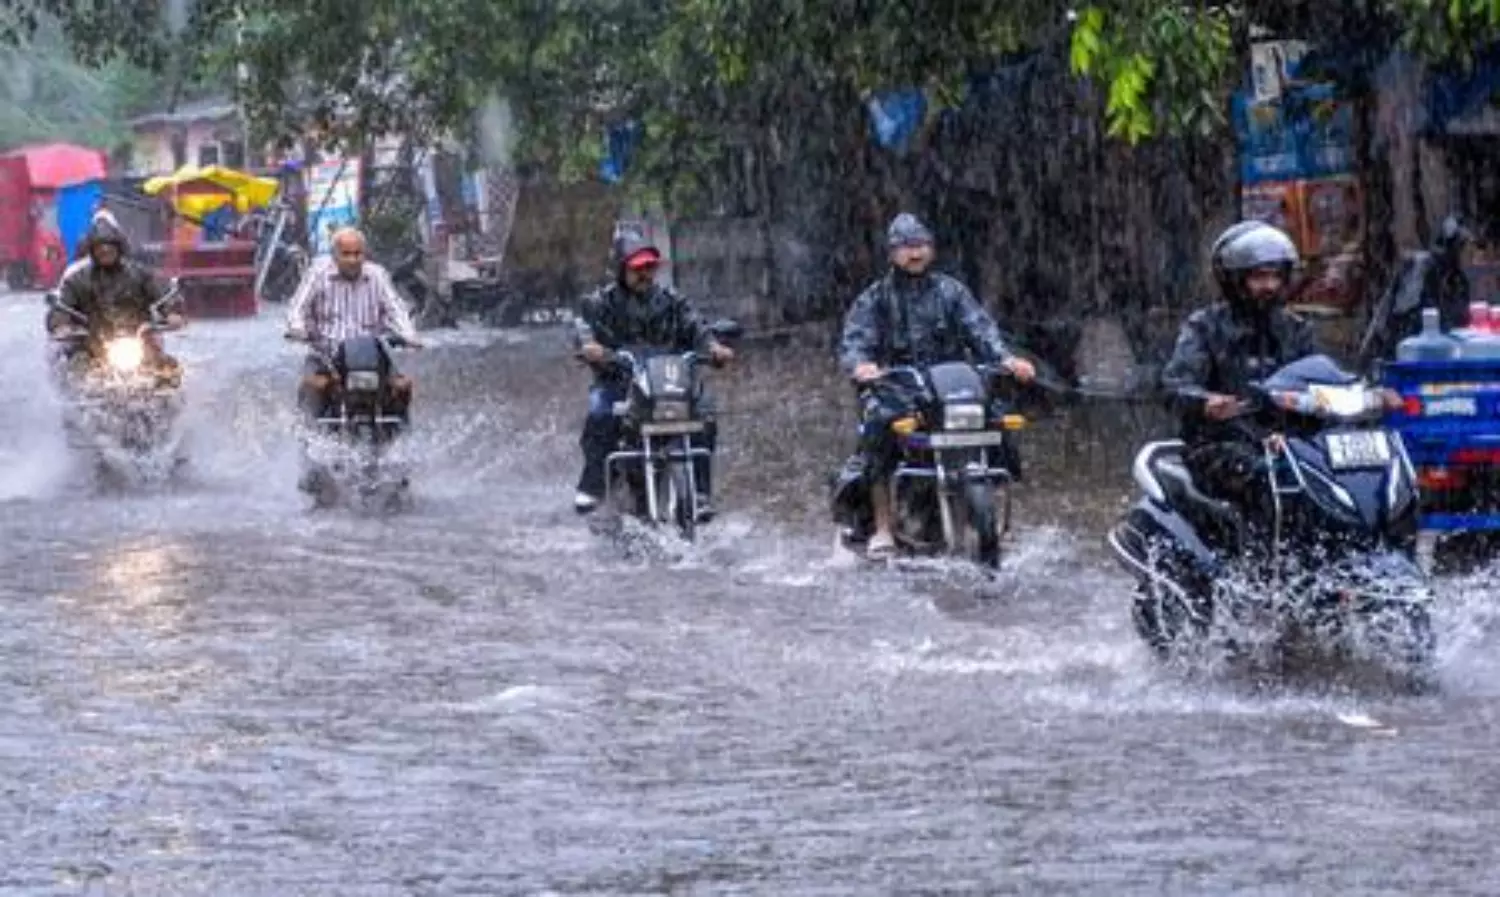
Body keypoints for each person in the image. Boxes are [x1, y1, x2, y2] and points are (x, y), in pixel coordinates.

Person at [836, 212, 1037, 559]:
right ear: (892, 253)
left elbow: (981, 329)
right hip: (898, 389)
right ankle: (883, 526)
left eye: (921, 245)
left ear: (932, 249)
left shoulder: (951, 291)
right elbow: (855, 341)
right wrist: (862, 366)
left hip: (949, 387)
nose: (915, 253)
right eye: (906, 247)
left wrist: (1007, 360)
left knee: (998, 419)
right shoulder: (876, 298)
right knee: (878, 426)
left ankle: (996, 508)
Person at [572, 229, 734, 515]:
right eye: (638, 268)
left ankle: (699, 493)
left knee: (704, 413)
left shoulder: (672, 301)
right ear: (621, 269)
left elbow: (696, 327)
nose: (645, 274)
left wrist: (714, 348)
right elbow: (583, 331)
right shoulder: (599, 303)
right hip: (619, 381)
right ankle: (593, 486)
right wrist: (590, 348)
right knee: (600, 413)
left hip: (668, 382)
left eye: (650, 266)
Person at [1161, 220, 1320, 508]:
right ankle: (1255, 538)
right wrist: (1205, 402)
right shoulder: (1205, 327)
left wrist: (1367, 396)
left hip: (1288, 441)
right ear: (1235, 280)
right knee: (1259, 474)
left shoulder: (1296, 330)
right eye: (1259, 277)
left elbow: (1320, 381)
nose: (1269, 286)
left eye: (1276, 276)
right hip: (1220, 443)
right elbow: (1175, 385)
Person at [283, 226, 423, 441]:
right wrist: (297, 329)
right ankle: (309, 437)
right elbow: (297, 307)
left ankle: (401, 437)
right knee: (313, 385)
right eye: (346, 254)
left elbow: (396, 308)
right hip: (326, 355)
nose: (352, 260)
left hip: (372, 355)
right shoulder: (318, 274)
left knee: (402, 387)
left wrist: (409, 335)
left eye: (357, 254)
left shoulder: (377, 275)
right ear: (335, 255)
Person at [47, 218, 184, 382]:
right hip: (94, 342)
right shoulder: (78, 279)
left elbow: (163, 293)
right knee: (77, 370)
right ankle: (79, 395)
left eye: (109, 245)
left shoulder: (139, 274)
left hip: (138, 338)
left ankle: (167, 396)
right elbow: (62, 306)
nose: (105, 250)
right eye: (100, 247)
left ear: (119, 247)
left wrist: (172, 312)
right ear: (92, 250)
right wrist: (60, 324)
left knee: (169, 371)